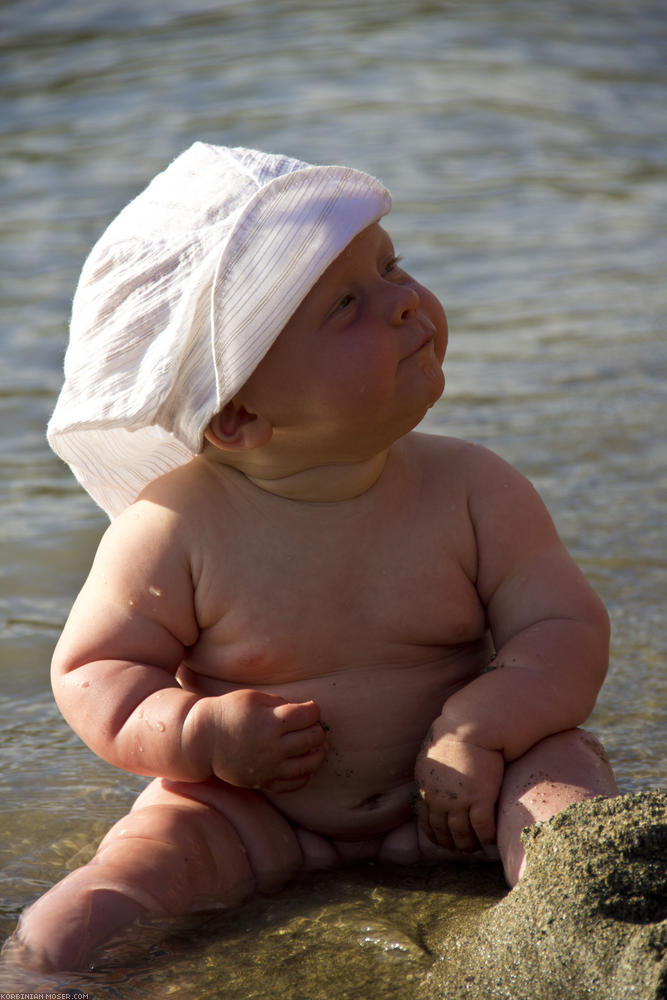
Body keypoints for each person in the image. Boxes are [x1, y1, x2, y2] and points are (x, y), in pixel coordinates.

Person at [8, 143, 618, 972]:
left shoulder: (473, 486)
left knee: (562, 795)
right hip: (254, 809)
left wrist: (483, 728)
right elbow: (94, 671)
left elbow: (563, 628)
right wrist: (198, 732)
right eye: (346, 305)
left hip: (466, 788)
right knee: (117, 886)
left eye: (392, 267)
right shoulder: (175, 528)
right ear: (235, 418)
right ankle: (42, 970)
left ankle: (594, 918)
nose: (403, 302)